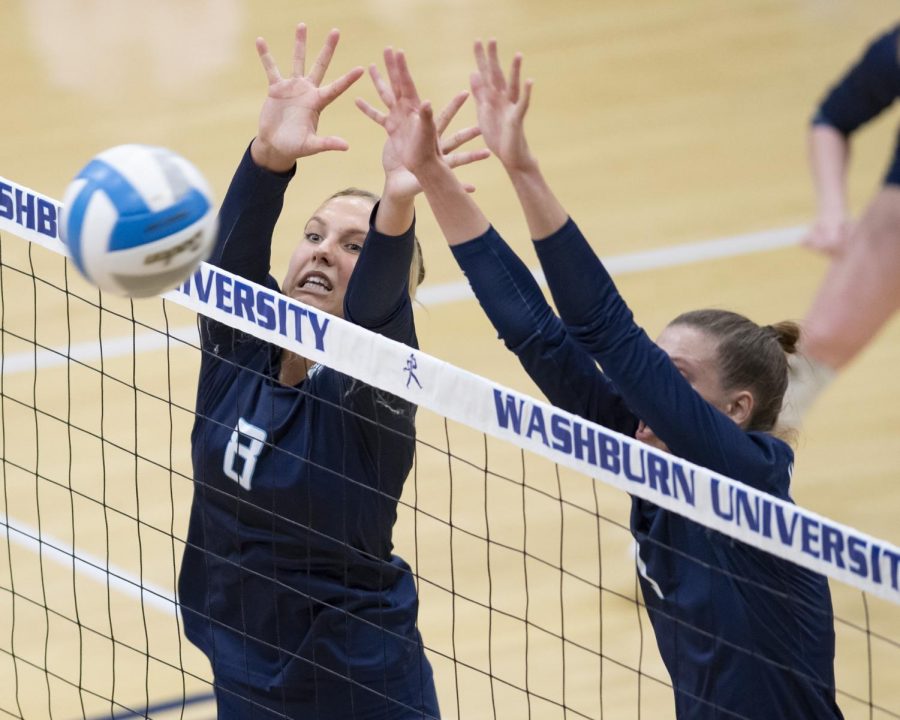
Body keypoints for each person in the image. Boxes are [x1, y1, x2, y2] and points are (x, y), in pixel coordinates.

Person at [357, 42, 844, 718]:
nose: (646, 398)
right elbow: (537, 334)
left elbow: (605, 331)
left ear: (736, 409)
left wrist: (523, 168)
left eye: (670, 379)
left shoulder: (745, 476)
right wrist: (435, 178)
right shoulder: (656, 461)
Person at [178, 24, 484, 719]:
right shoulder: (237, 356)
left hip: (357, 686)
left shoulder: (373, 393)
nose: (322, 253)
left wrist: (398, 206)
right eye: (313, 236)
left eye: (354, 245)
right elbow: (231, 259)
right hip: (246, 665)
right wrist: (266, 158)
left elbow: (377, 308)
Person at [781, 23, 900, 427]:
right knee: (816, 352)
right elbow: (832, 119)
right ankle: (743, 467)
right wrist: (832, 212)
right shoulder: (895, 53)